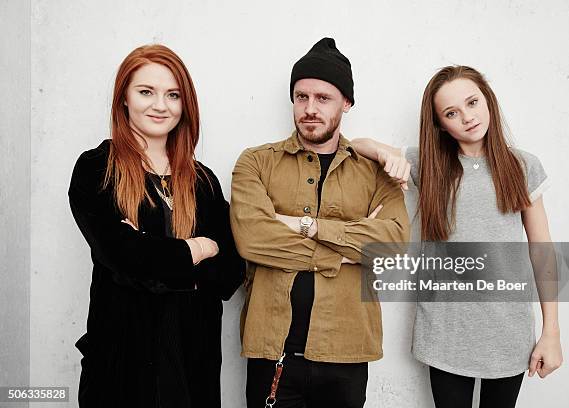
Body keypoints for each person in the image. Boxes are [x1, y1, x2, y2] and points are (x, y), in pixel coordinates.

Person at [352, 65, 563, 408]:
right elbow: (356, 144)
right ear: (439, 123)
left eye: (472, 103)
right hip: (445, 332)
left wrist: (551, 332)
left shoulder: (522, 167)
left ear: (488, 101)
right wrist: (386, 156)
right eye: (452, 112)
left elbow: (543, 251)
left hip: (508, 332)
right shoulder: (429, 165)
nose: (467, 117)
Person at [229, 37, 410, 408]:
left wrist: (303, 225)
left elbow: (392, 247)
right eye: (301, 97)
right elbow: (252, 238)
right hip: (272, 350)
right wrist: (344, 253)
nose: (310, 109)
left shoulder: (377, 173)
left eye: (323, 98)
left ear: (346, 103)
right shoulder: (255, 163)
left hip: (347, 351)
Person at [68, 44, 245, 408]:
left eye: (173, 95)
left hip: (191, 365)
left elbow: (230, 271)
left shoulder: (203, 181)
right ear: (124, 100)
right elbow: (124, 256)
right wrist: (198, 249)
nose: (160, 105)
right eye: (146, 92)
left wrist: (153, 258)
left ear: (185, 105)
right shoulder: (96, 170)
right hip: (121, 365)